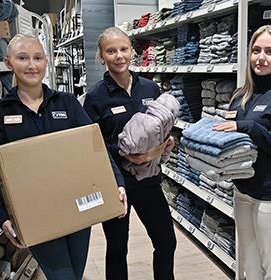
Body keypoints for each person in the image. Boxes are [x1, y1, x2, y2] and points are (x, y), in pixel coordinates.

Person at [0, 33, 127, 280]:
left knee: (75, 274)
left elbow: (95, 148)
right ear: (8, 63)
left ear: (46, 61)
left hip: (77, 204)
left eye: (38, 58)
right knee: (63, 276)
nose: (31, 65)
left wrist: (117, 183)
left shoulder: (67, 103)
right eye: (22, 58)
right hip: (35, 213)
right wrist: (2, 215)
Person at [83, 27, 177, 280]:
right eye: (111, 51)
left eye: (123, 49)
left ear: (132, 52)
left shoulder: (150, 89)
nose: (119, 56)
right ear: (101, 56)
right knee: (117, 248)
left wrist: (167, 143)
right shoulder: (95, 98)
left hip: (148, 181)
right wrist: (123, 152)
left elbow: (163, 127)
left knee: (166, 242)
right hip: (116, 184)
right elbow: (92, 145)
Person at [213, 25, 271, 280]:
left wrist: (249, 126)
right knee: (248, 265)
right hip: (243, 191)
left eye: (269, 51)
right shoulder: (242, 95)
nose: (261, 57)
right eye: (256, 50)